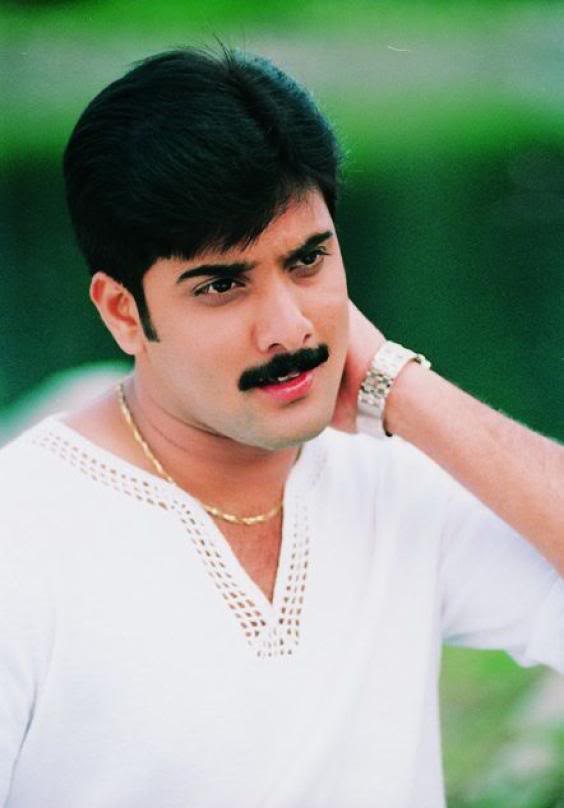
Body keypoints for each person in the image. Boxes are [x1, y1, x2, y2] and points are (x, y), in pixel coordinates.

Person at [0, 46, 562, 808]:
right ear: (124, 312)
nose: (289, 327)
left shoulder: (395, 481)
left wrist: (398, 386)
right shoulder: (23, 533)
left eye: (307, 262)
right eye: (222, 286)